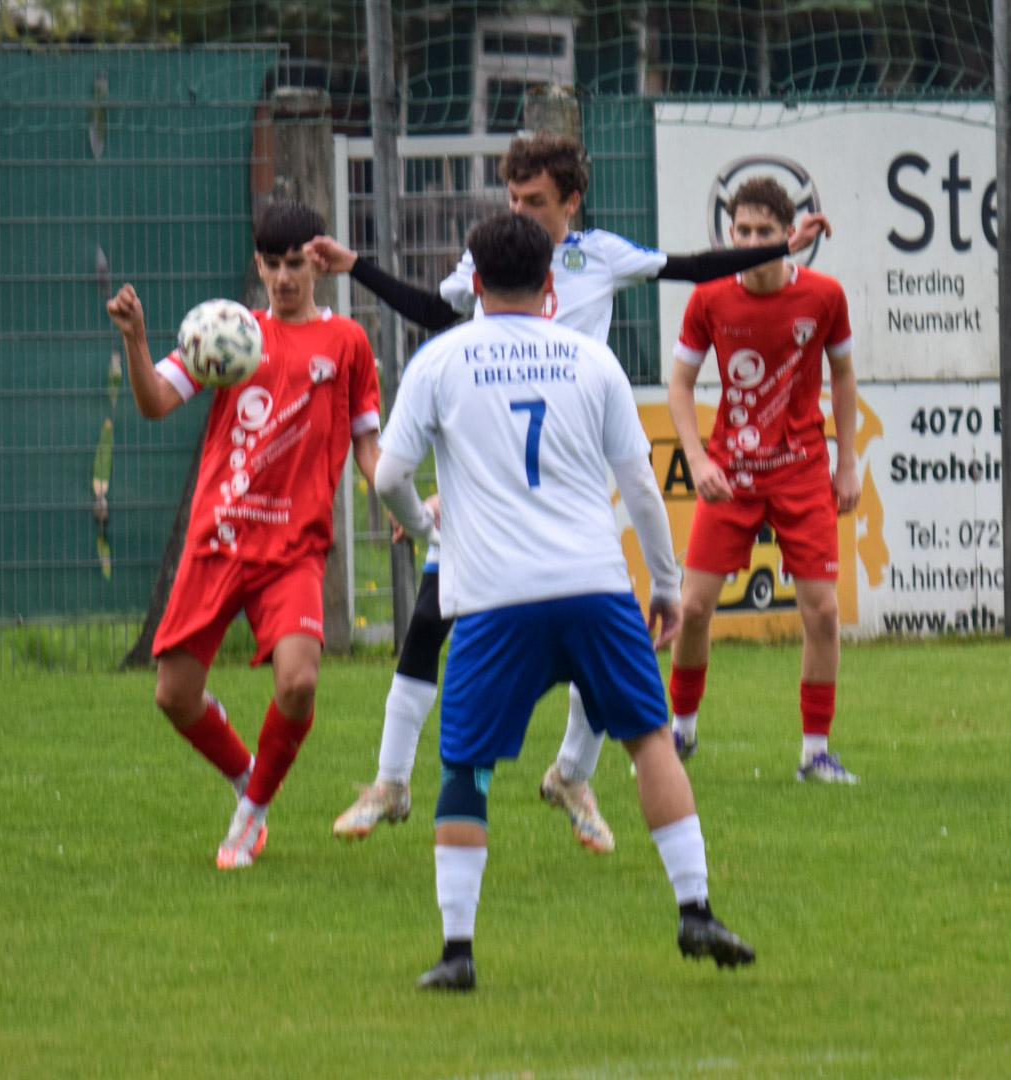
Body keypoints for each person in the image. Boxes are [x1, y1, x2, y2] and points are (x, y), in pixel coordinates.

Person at [312, 133, 832, 851]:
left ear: (571, 202)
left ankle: (570, 775)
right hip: (490, 484)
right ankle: (391, 783)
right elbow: (436, 312)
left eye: (535, 200)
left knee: (600, 632)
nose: (520, 211)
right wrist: (357, 267)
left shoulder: (601, 257)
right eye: (513, 198)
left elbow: (692, 266)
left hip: (570, 482)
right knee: (428, 623)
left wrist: (779, 249)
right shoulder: (492, 260)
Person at [374, 212, 753, 991]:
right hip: (594, 586)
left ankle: (457, 952)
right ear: (551, 284)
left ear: (474, 282)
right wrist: (666, 585)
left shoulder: (439, 359)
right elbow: (640, 485)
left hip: (493, 597)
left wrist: (423, 523)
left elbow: (388, 477)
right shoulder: (590, 359)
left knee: (467, 767)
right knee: (649, 740)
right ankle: (695, 908)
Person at [105, 200, 383, 869]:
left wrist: (397, 500)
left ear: (318, 265)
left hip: (293, 550)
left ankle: (251, 815)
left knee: (299, 682)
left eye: (296, 264)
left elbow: (369, 447)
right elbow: (155, 402)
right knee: (174, 696)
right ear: (258, 266)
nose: (284, 278)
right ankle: (246, 775)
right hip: (219, 539)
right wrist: (136, 339)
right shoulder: (228, 332)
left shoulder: (346, 342)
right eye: (273, 264)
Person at [667, 177, 861, 783]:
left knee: (822, 613)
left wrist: (847, 461)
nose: (751, 241)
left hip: (802, 472)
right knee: (693, 608)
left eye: (764, 232)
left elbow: (844, 376)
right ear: (730, 234)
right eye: (743, 231)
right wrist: (698, 460)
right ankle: (681, 732)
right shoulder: (709, 298)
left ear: (787, 235)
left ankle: (815, 753)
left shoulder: (825, 295)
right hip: (732, 474)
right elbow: (680, 386)